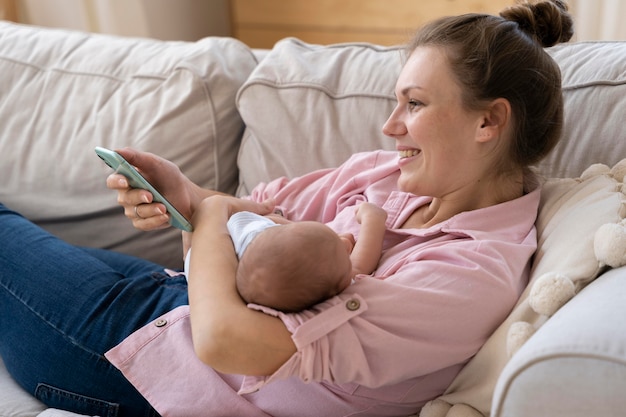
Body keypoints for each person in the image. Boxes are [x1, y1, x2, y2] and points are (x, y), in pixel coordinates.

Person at [0, 1, 574, 416]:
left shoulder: (464, 278)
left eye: (414, 104)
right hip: (167, 297)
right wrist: (187, 196)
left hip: (140, 365)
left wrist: (214, 215)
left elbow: (223, 341)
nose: (390, 125)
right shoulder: (386, 173)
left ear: (489, 121)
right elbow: (247, 216)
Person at [222, 202, 387, 313]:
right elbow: (360, 263)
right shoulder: (334, 283)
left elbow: (278, 230)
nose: (348, 238)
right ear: (337, 288)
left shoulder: (247, 234)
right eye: (345, 254)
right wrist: (373, 220)